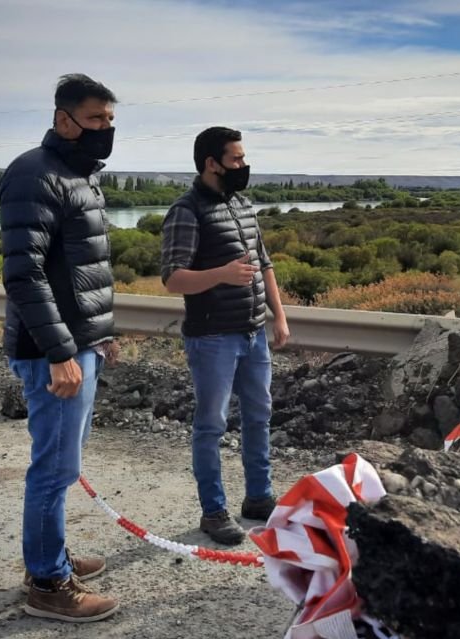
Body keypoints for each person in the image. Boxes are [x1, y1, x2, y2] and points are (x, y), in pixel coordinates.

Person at [0, 73, 119, 623]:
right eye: (95, 120)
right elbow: (24, 275)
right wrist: (60, 352)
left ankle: (48, 558)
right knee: (53, 469)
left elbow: (80, 269)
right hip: (51, 350)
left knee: (63, 466)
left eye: (110, 120)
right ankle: (48, 584)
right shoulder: (34, 175)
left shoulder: (79, 175)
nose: (105, 130)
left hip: (79, 344)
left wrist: (97, 336)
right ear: (63, 119)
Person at [161, 126, 290, 545]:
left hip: (253, 332)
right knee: (211, 425)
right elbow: (172, 278)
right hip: (212, 336)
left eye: (243, 158)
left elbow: (264, 264)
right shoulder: (186, 211)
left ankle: (258, 497)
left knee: (259, 415)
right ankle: (213, 512)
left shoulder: (243, 204)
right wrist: (221, 274)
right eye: (235, 159)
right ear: (211, 163)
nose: (243, 166)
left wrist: (280, 316)